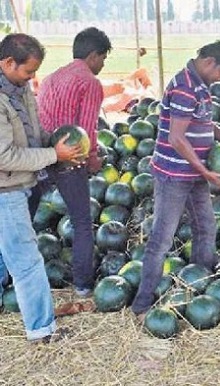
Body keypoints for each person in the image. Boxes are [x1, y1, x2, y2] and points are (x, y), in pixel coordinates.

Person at [131, 41, 220, 320]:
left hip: (193, 174)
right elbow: (176, 138)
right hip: (175, 175)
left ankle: (199, 283)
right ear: (209, 62)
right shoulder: (184, 86)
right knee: (161, 239)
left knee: (206, 225)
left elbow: (205, 125)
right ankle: (142, 303)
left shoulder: (199, 86)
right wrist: (205, 171)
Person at [0, 33, 83, 342]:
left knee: (5, 253)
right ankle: (42, 331)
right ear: (8, 63)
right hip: (5, 191)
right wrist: (53, 155)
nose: (33, 77)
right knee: (27, 261)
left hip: (18, 184)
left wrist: (52, 142)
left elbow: (32, 134)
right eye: (28, 70)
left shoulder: (18, 89)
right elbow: (3, 155)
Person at [33, 27, 112, 298]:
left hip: (43, 156)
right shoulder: (89, 81)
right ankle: (82, 285)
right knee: (81, 221)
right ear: (93, 56)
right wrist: (91, 161)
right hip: (71, 161)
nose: (102, 65)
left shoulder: (52, 77)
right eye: (103, 58)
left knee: (28, 219)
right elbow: (87, 129)